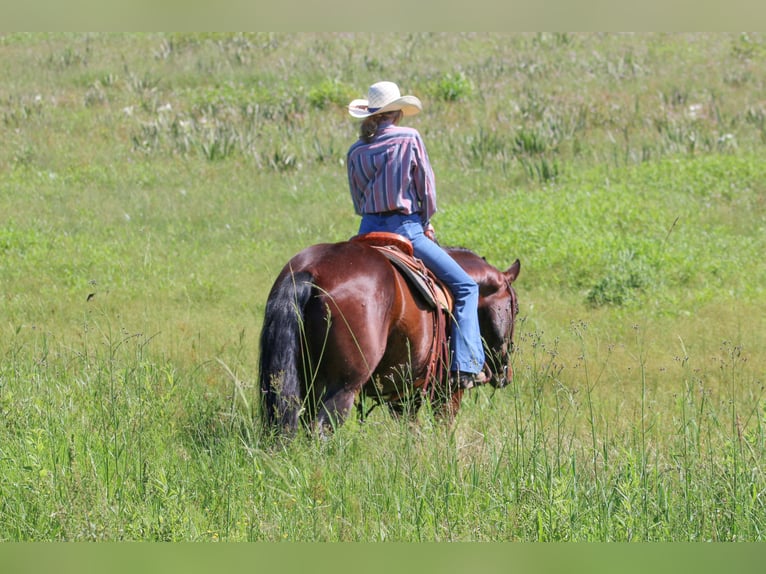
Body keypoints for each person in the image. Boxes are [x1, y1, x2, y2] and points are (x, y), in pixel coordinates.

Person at [346, 80, 486, 389]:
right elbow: (426, 188)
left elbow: (358, 201)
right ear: (397, 112)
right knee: (465, 287)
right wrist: (425, 220)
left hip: (366, 229)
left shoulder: (356, 151)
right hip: (406, 230)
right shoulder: (409, 138)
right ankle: (467, 365)